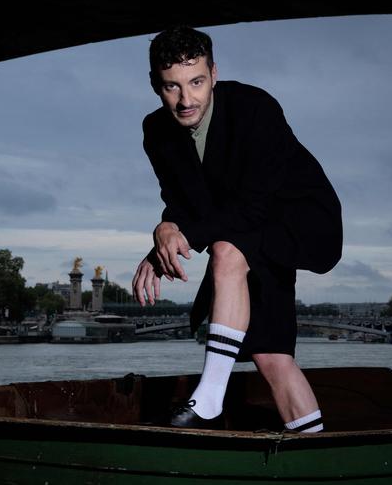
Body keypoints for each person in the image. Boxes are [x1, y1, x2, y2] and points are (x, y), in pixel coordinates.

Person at [132, 26, 342, 432]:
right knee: (271, 353)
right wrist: (161, 238)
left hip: (302, 219)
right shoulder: (155, 131)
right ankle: (317, 449)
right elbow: (181, 201)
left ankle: (209, 396)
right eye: (171, 87)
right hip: (247, 227)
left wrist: (181, 234)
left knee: (227, 250)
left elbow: (252, 207)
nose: (186, 99)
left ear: (214, 73)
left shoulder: (254, 107)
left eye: (196, 82)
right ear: (155, 85)